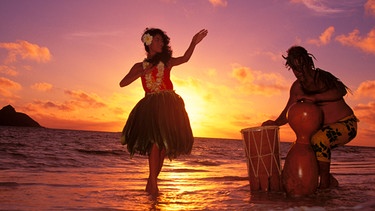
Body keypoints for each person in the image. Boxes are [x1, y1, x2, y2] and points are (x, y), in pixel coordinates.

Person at [119, 28, 208, 197]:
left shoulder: (166, 63)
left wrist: (193, 42)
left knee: (163, 147)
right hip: (150, 107)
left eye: (162, 41)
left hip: (169, 106)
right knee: (154, 142)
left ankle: (151, 182)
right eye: (158, 40)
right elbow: (122, 83)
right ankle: (154, 184)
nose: (162, 43)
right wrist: (140, 73)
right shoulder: (139, 66)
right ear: (148, 42)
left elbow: (185, 58)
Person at [262, 46, 358, 189]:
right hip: (323, 130)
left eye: (302, 67)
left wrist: (313, 97)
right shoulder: (296, 88)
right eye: (295, 69)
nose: (299, 72)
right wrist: (275, 123)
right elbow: (288, 111)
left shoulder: (322, 77)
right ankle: (324, 183)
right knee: (300, 148)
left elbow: (341, 91)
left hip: (347, 124)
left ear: (308, 63)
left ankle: (324, 185)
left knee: (319, 140)